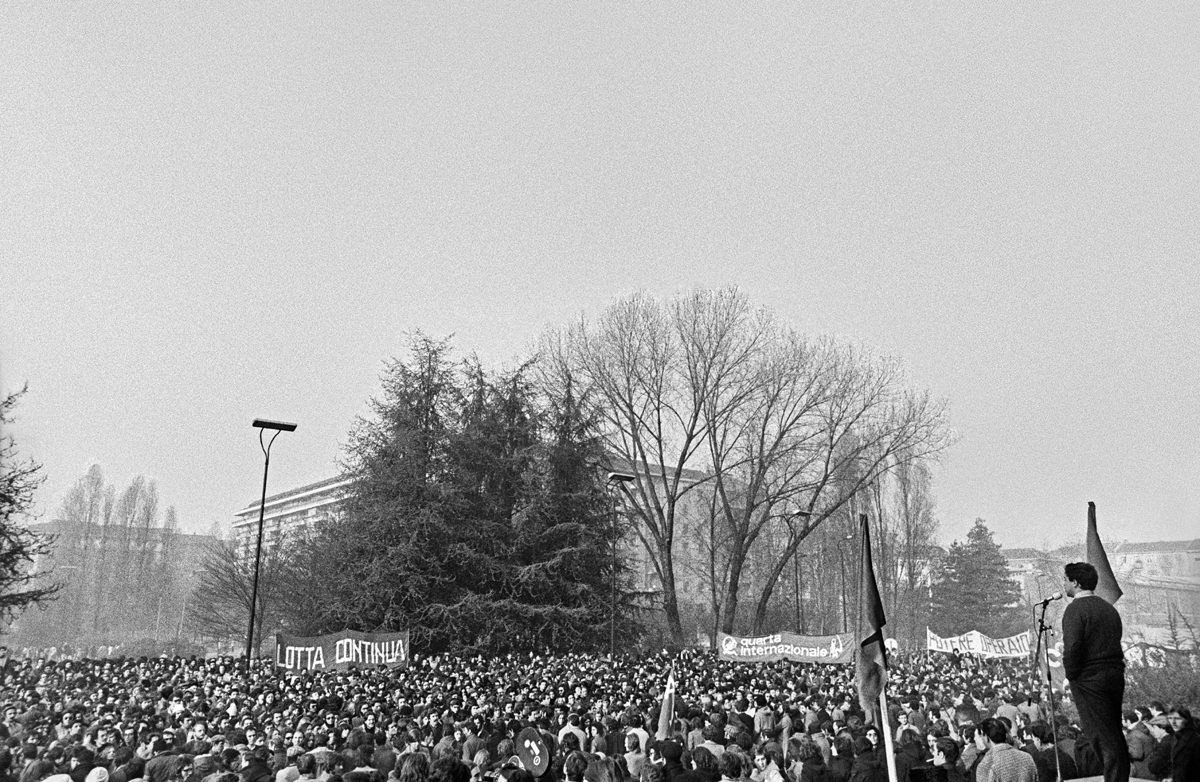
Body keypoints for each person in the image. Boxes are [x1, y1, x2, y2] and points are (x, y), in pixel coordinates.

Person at [1061, 562, 1130, 782]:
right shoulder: (1108, 608)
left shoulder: (1074, 610)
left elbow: (1073, 647)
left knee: (1102, 737)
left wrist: (1071, 674)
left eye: (1066, 579)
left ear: (1075, 582)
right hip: (1114, 674)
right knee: (1114, 731)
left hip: (1090, 679)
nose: (1064, 584)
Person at [1165, 707, 1199, 782]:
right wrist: (1172, 778)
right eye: (1170, 718)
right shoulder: (1175, 737)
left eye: (1177, 718)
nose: (1173, 722)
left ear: (1186, 720)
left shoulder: (1195, 740)